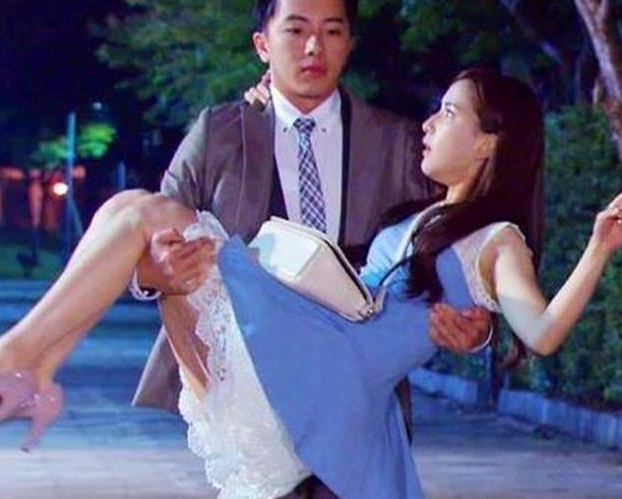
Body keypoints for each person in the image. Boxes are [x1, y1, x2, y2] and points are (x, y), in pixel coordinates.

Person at [0, 68, 622, 498]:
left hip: (327, 379)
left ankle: (15, 363)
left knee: (147, 212)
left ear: (489, 141)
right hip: (308, 353)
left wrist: (597, 248)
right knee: (128, 210)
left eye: (448, 113)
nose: (429, 124)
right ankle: (31, 370)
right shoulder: (425, 216)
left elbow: (541, 332)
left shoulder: (498, 238)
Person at [129, 0, 493, 467]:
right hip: (248, 390)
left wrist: (477, 324)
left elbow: (455, 238)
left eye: (332, 32)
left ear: (350, 44)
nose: (314, 47)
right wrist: (155, 270)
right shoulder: (219, 135)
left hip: (360, 394)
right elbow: (152, 235)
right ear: (262, 44)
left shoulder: (398, 144)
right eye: (296, 30)